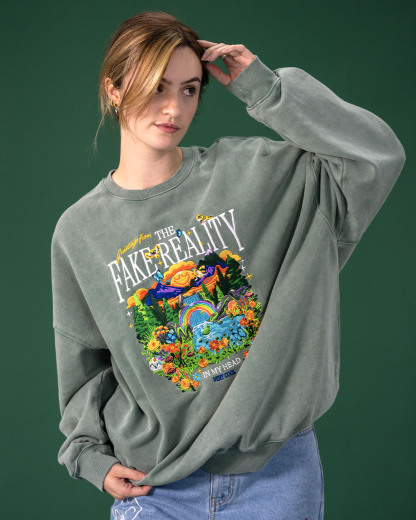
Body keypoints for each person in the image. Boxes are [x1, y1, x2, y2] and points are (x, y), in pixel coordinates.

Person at [51, 10, 405, 520]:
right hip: (156, 485)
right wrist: (87, 455)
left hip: (276, 477)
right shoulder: (79, 230)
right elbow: (83, 364)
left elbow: (375, 155)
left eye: (189, 89)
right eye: (156, 87)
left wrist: (264, 88)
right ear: (114, 88)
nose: (173, 107)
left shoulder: (256, 173)